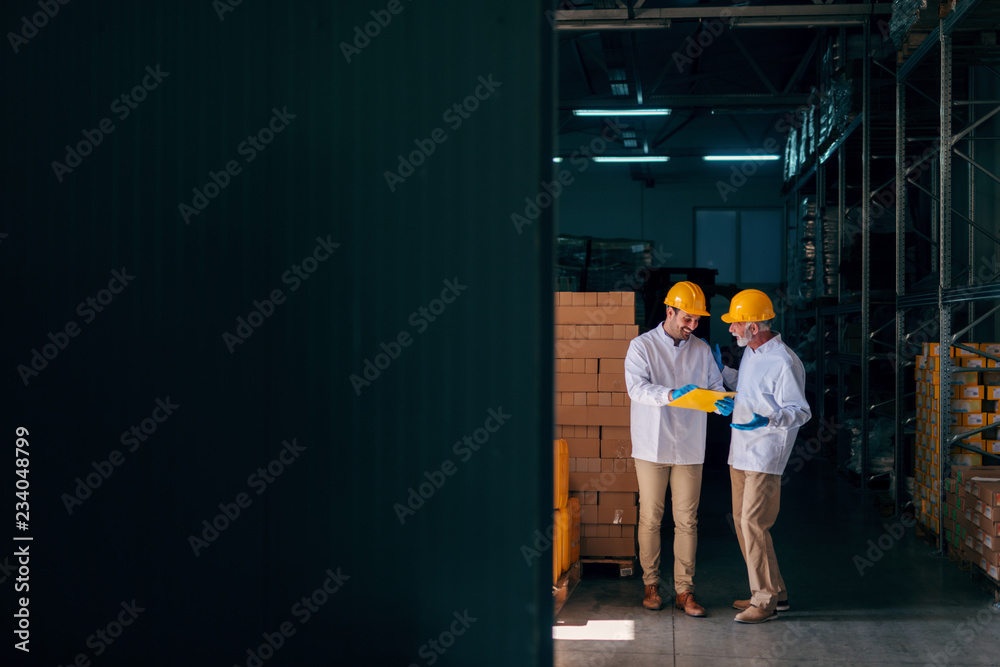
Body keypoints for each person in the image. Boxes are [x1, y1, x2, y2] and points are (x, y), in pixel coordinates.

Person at [624, 281, 733, 617]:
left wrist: (721, 403)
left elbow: (714, 387)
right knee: (651, 518)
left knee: (687, 521)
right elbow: (636, 389)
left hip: (688, 446)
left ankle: (685, 591)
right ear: (669, 311)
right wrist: (669, 395)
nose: (692, 326)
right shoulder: (641, 347)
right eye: (687, 318)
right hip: (651, 445)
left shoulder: (700, 349)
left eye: (697, 320)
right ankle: (651, 585)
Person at [717, 289, 811, 624]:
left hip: (764, 455)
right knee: (744, 526)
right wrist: (725, 377)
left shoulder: (784, 361)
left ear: (754, 327)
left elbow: (800, 411)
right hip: (740, 452)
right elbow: (750, 389)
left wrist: (768, 418)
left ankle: (765, 600)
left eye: (736, 324)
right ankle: (775, 593)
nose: (731, 329)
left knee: (753, 524)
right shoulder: (752, 354)